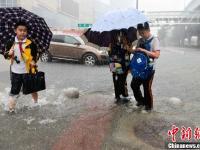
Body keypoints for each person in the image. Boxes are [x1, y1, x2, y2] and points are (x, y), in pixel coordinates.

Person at [3, 21, 39, 113]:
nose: (22, 32)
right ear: (16, 30)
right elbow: (6, 56)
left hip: (28, 71)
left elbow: (35, 56)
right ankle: (11, 109)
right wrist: (9, 53)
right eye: (20, 30)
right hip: (15, 71)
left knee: (32, 89)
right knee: (14, 91)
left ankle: (36, 103)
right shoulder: (11, 42)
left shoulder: (31, 43)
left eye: (25, 30)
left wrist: (33, 61)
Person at [130, 22, 160, 113]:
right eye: (140, 33)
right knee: (134, 85)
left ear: (148, 30)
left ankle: (149, 108)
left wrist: (144, 50)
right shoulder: (140, 40)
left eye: (143, 33)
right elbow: (137, 53)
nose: (142, 35)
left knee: (147, 88)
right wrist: (131, 49)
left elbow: (157, 55)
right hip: (139, 68)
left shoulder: (154, 40)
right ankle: (141, 102)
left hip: (149, 69)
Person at [108, 30, 130, 103]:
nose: (120, 37)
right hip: (115, 64)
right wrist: (110, 49)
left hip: (124, 64)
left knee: (122, 81)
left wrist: (127, 48)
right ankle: (117, 96)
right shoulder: (112, 42)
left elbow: (128, 53)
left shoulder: (126, 39)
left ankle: (124, 94)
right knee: (116, 80)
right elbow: (110, 54)